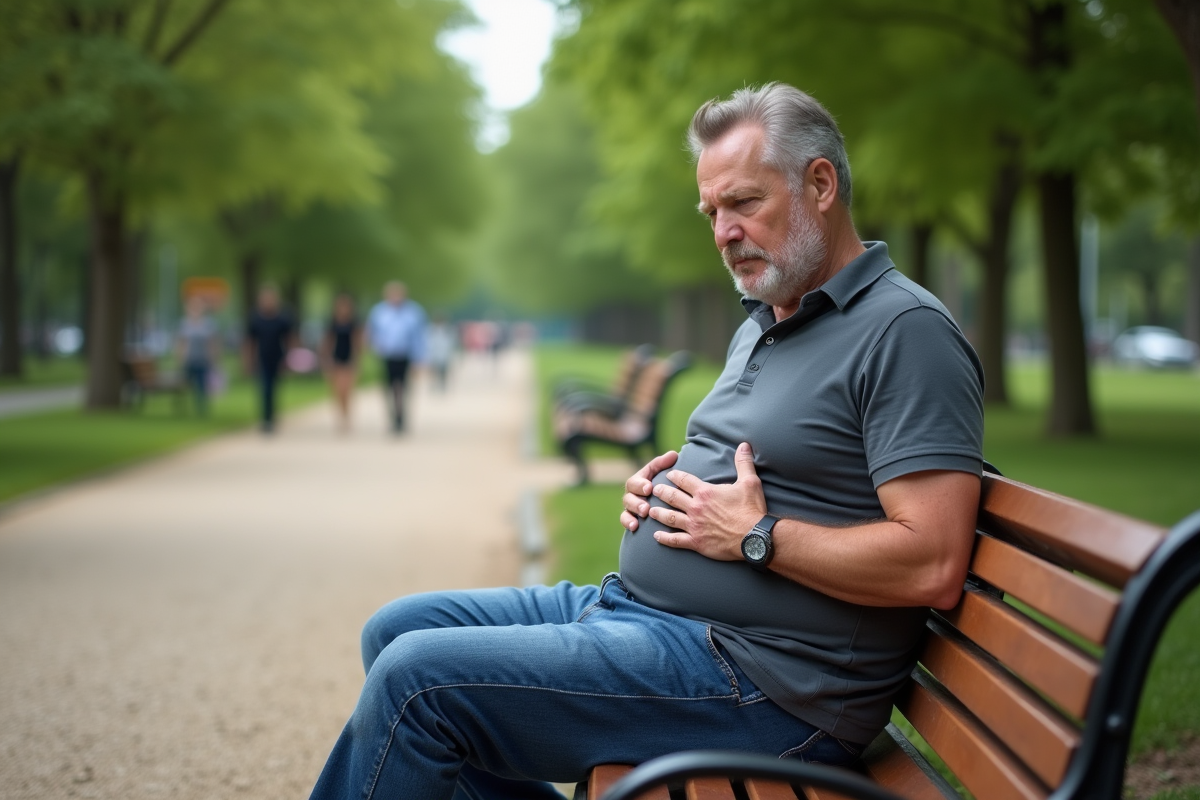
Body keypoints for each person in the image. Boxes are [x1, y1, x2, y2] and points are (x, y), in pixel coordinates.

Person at [307, 83, 984, 800]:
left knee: (418, 685)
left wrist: (757, 535)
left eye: (744, 202)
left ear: (820, 184)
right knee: (396, 630)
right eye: (712, 212)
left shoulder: (905, 332)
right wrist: (660, 493)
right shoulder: (765, 319)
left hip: (763, 682)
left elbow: (933, 562)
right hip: (651, 616)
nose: (724, 230)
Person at [365, 281, 427, 433]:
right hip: (387, 356)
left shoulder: (413, 312)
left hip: (405, 355)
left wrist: (419, 359)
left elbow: (419, 337)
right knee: (389, 388)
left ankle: (401, 417)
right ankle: (392, 416)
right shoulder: (379, 312)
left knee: (403, 388)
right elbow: (371, 333)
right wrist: (374, 348)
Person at [243, 286, 294, 434]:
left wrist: (290, 359)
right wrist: (248, 360)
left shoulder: (283, 318)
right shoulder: (256, 319)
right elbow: (250, 342)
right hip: (262, 359)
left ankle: (271, 416)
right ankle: (266, 419)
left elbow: (289, 339)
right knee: (265, 388)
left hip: (278, 358)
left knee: (274, 388)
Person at [322, 293, 362, 432]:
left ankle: (347, 418)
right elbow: (327, 342)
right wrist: (326, 359)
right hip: (336, 359)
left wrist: (358, 359)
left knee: (347, 391)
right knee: (337, 391)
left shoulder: (354, 323)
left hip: (349, 359)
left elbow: (358, 342)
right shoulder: (332, 323)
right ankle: (340, 417)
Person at [176, 296, 220, 416]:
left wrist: (213, 357)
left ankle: (202, 408)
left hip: (203, 359)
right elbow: (181, 343)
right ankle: (185, 408)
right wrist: (181, 357)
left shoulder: (208, 324)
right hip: (190, 359)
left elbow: (212, 342)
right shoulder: (184, 323)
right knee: (187, 385)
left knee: (202, 385)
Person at [425, 313, 456, 392]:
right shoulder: (431, 329)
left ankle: (442, 386)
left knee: (443, 372)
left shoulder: (447, 330)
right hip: (434, 353)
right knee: (434, 372)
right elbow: (428, 342)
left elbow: (451, 342)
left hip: (444, 354)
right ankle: (435, 386)